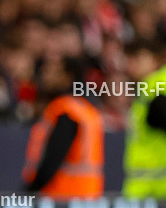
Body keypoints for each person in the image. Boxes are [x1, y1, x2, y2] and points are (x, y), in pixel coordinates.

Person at [21, 57, 104, 199]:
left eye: (50, 71)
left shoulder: (65, 111)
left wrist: (29, 191)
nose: (44, 76)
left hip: (62, 198)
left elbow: (54, 158)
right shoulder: (86, 109)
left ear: (67, 77)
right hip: (88, 197)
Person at [122, 42, 166, 199]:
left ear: (156, 59)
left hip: (155, 188)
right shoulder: (148, 87)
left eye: (139, 58)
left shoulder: (157, 85)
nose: (132, 64)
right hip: (149, 186)